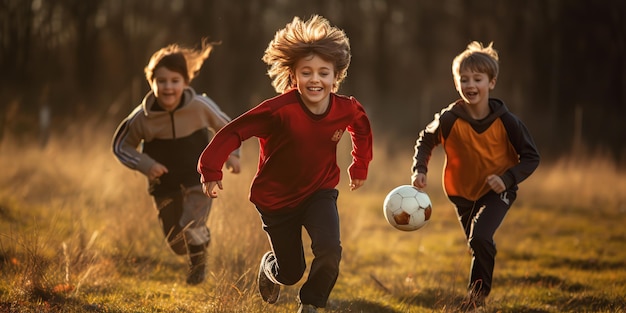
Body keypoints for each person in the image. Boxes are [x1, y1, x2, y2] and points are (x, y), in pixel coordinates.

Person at [197, 15, 373, 313]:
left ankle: (311, 303)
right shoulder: (278, 111)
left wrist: (359, 167)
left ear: (336, 76)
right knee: (290, 272)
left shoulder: (346, 108)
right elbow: (234, 131)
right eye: (306, 72)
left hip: (320, 191)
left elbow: (362, 127)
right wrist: (211, 169)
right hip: (276, 201)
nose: (315, 80)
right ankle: (270, 268)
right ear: (294, 76)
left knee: (330, 251)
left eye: (323, 73)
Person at [410, 41, 540, 310]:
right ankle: (477, 294)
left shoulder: (508, 122)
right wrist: (420, 169)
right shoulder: (449, 117)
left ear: (491, 83)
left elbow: (531, 157)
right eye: (464, 79)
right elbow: (425, 139)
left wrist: (507, 179)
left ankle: (476, 301)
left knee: (480, 238)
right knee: (477, 244)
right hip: (461, 193)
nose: (470, 85)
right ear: (456, 83)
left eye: (477, 79)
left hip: (498, 191)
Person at [112, 39, 240, 285]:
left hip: (198, 176)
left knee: (192, 224)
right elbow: (120, 145)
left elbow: (229, 128)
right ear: (151, 83)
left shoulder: (199, 106)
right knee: (176, 242)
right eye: (161, 81)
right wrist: (146, 165)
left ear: (185, 82)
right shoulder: (142, 118)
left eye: (174, 81)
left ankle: (198, 267)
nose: (168, 87)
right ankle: (199, 241)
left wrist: (232, 155)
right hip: (163, 182)